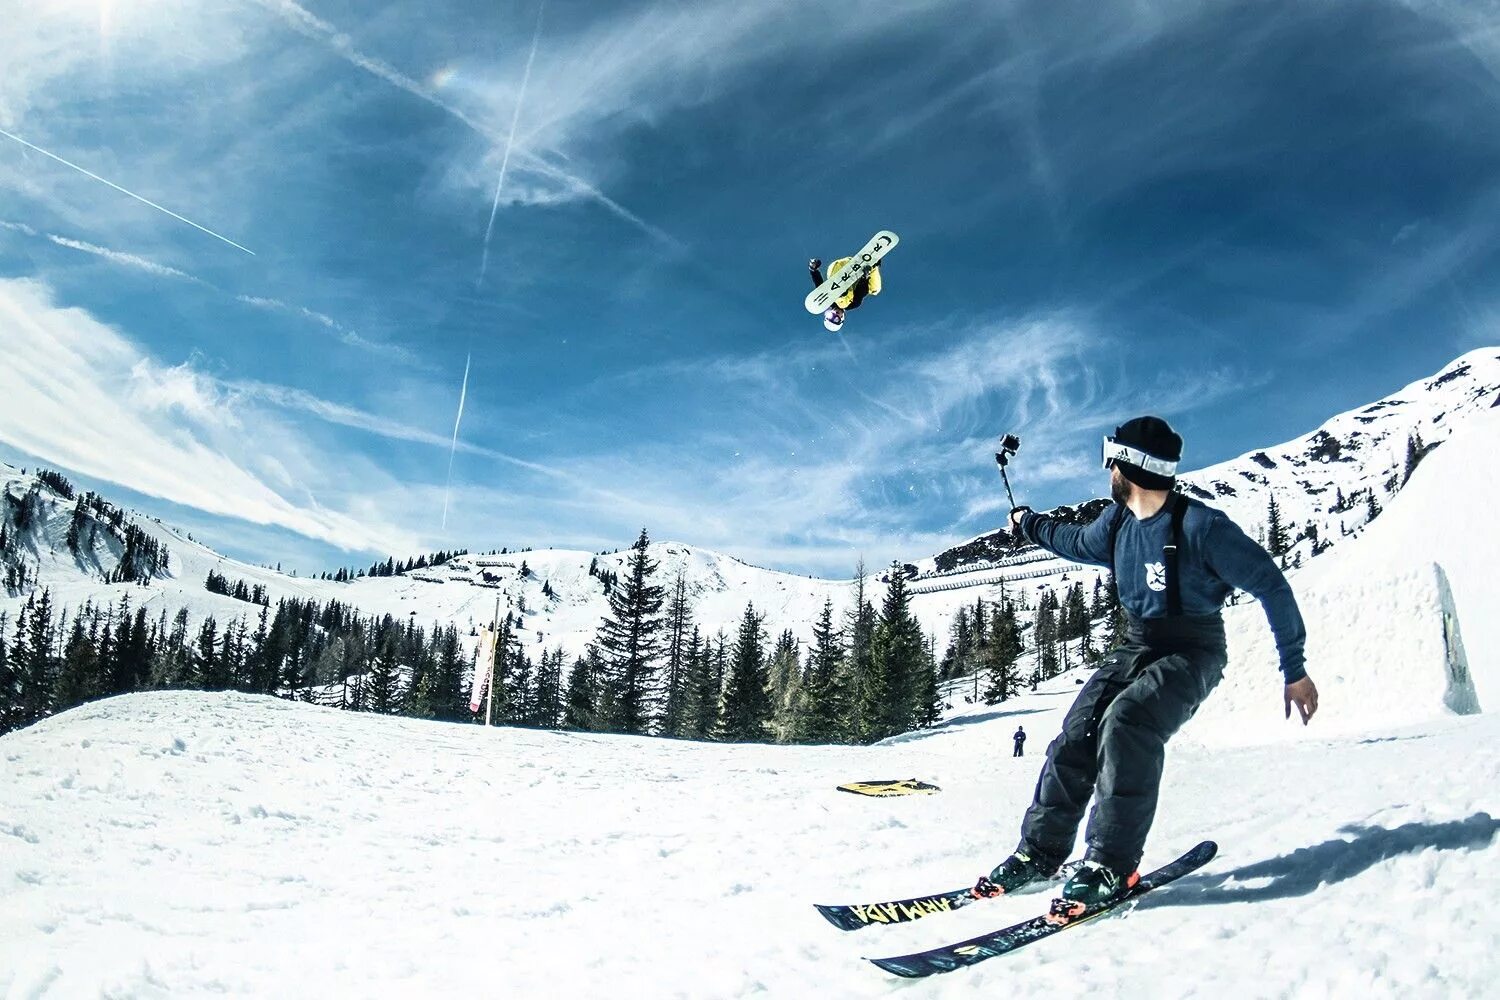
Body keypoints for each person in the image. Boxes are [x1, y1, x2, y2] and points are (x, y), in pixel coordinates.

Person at [971, 416, 1318, 925]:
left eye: (1111, 458)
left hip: (1192, 650)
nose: (1107, 468)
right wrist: (1027, 525)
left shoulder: (1203, 528)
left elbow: (1272, 585)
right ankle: (1040, 855)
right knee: (1075, 734)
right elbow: (1072, 540)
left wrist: (1295, 669)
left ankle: (1111, 866)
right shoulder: (1117, 524)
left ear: (1127, 465)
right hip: (1136, 643)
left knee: (1128, 722)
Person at [809, 256, 882, 332]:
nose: (835, 315)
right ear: (842, 318)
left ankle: (840, 293)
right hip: (854, 269)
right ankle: (874, 266)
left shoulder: (827, 301)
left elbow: (820, 287)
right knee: (875, 289)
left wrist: (813, 270)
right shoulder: (853, 304)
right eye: (836, 319)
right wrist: (865, 277)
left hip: (837, 269)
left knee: (841, 303)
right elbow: (862, 290)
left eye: (831, 316)